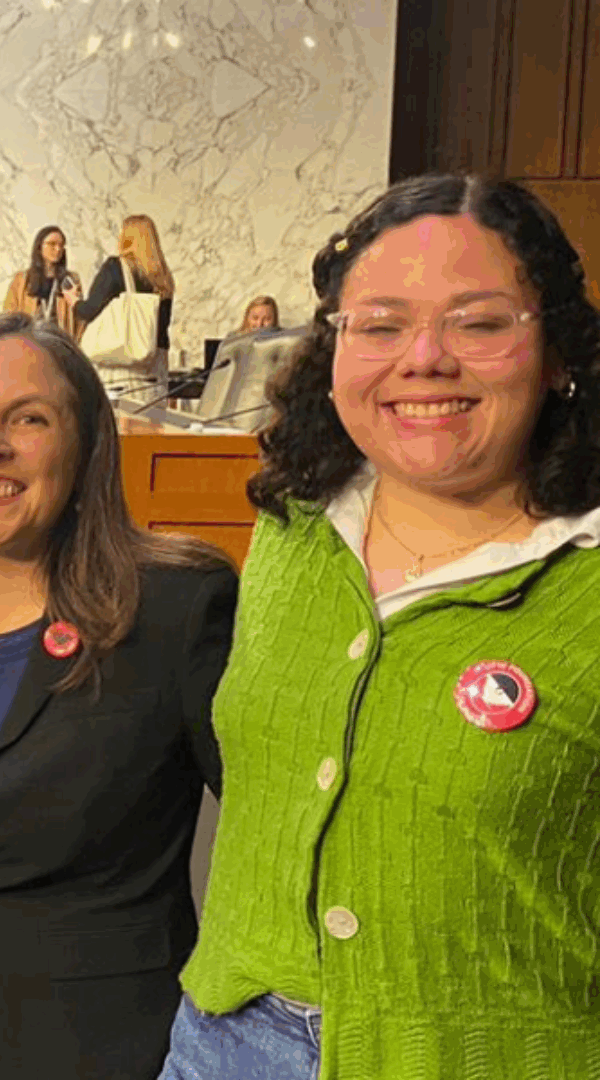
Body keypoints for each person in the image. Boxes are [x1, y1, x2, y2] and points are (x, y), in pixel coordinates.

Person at [161, 175, 600, 1079]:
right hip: (223, 1043)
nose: (425, 357)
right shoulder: (292, 529)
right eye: (381, 324)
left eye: (479, 322)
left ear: (558, 350)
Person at [0, 312, 235, 1079]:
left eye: (28, 419)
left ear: (86, 445)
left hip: (96, 1051)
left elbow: (275, 843)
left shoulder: (174, 607)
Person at [75, 215, 175, 387]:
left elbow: (90, 311)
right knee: (151, 413)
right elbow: (163, 324)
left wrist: (74, 302)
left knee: (122, 412)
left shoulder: (115, 268)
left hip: (122, 364)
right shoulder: (163, 277)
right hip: (155, 365)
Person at [3, 226, 85, 338]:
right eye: (52, 244)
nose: (58, 249)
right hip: (30, 345)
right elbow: (9, 315)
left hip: (61, 345)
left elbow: (80, 319)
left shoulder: (71, 280)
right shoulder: (22, 280)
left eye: (61, 245)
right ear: (39, 246)